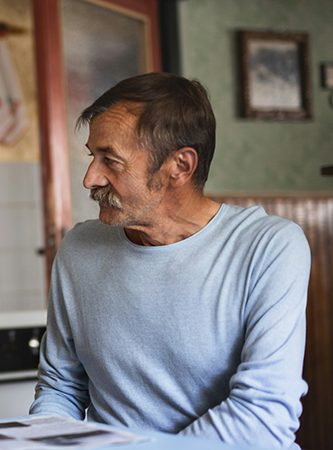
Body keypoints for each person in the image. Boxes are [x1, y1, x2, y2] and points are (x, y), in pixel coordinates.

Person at [30, 73, 309, 449]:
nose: (89, 178)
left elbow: (261, 418)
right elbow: (60, 388)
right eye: (92, 156)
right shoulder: (79, 247)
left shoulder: (268, 247)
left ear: (180, 165)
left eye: (111, 161)